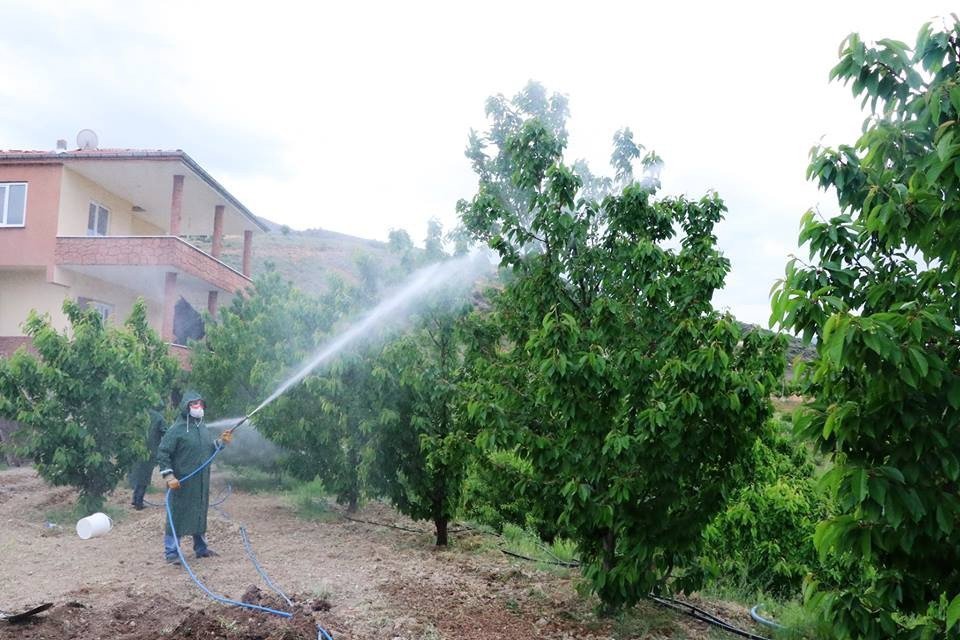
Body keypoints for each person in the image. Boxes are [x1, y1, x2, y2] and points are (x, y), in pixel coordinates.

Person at [156, 390, 233, 564]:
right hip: (181, 482)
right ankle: (172, 552)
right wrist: (169, 476)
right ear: (186, 407)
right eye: (193, 404)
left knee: (199, 513)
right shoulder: (177, 430)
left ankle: (201, 548)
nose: (198, 407)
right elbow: (163, 453)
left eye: (200, 404)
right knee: (177, 516)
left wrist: (221, 443)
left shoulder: (202, 428)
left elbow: (208, 450)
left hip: (200, 483)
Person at [129, 405, 167, 510]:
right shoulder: (159, 418)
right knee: (144, 477)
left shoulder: (139, 415)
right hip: (150, 452)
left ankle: (135, 499)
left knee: (139, 475)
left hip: (137, 450)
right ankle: (138, 503)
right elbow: (166, 433)